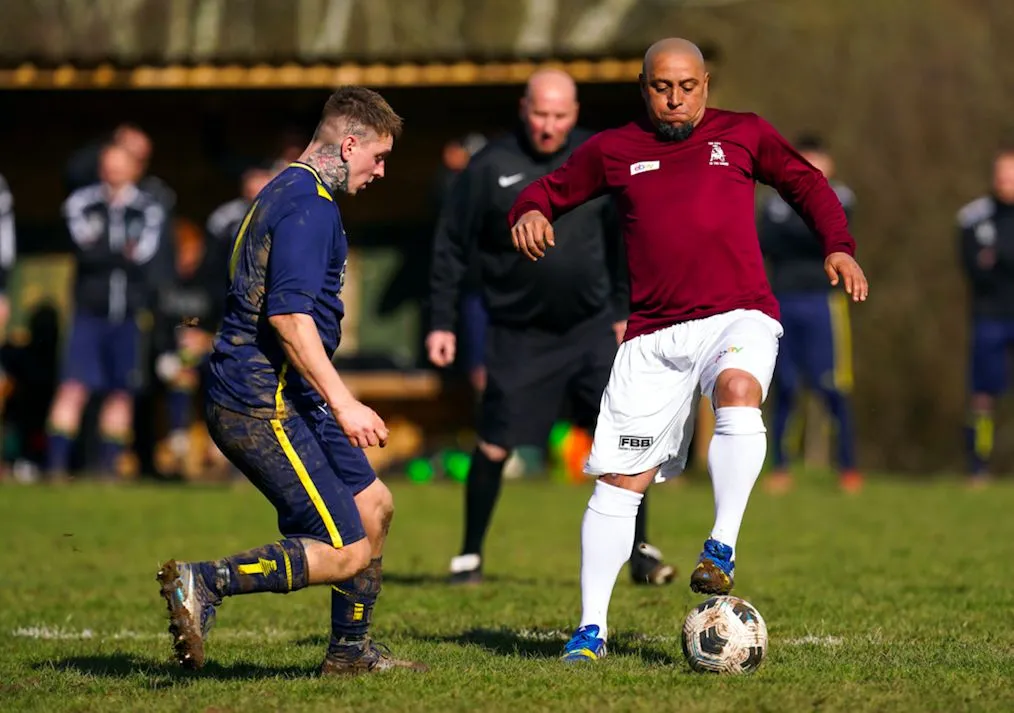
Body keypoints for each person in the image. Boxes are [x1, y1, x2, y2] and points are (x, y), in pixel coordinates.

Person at [507, 38, 868, 662]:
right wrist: (530, 210)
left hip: (738, 314)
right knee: (620, 484)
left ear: (706, 84)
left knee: (738, 393)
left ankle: (720, 546)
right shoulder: (614, 149)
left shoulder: (745, 134)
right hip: (652, 334)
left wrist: (837, 244)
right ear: (643, 87)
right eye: (660, 87)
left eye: (687, 86)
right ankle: (591, 630)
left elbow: (808, 186)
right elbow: (548, 191)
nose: (674, 98)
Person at [155, 86, 426, 676]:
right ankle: (204, 583)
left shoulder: (285, 188)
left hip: (287, 396)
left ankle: (349, 655)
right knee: (346, 549)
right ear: (348, 143)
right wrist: (346, 401)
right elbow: (288, 318)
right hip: (261, 403)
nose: (381, 171)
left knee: (374, 506)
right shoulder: (311, 206)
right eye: (377, 157)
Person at [428, 69, 676, 587]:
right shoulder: (489, 165)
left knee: (625, 438)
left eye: (559, 115)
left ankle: (642, 553)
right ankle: (469, 555)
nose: (548, 125)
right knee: (495, 444)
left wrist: (625, 309)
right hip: (519, 333)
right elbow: (451, 246)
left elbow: (628, 236)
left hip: (591, 330)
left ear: (576, 112)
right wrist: (442, 322)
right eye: (540, 113)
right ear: (524, 107)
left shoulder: (598, 156)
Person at [46, 144, 167, 480]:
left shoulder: (147, 208)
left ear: (134, 169)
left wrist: (108, 252)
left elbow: (144, 255)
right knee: (72, 388)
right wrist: (116, 253)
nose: (112, 172)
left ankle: (107, 469)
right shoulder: (82, 203)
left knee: (121, 392)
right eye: (107, 166)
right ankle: (55, 467)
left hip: (127, 313)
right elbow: (86, 248)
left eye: (120, 166)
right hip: (89, 312)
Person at [759, 134, 862, 493]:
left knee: (831, 385)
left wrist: (806, 233)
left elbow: (828, 234)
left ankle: (848, 467)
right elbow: (768, 240)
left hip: (824, 303)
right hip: (782, 301)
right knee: (785, 387)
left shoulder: (842, 197)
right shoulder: (773, 202)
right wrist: (809, 231)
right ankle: (780, 468)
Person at [958, 146, 1014, 485]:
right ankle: (978, 468)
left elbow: (996, 261)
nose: (1006, 182)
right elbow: (974, 267)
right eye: (1002, 175)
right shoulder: (973, 218)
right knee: (982, 396)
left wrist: (1000, 258)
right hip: (989, 315)